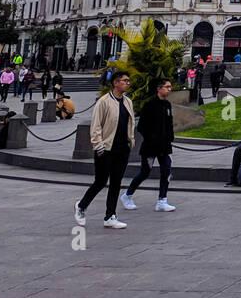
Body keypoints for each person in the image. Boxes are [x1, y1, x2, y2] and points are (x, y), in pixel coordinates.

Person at [75, 71, 137, 230]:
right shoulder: (104, 102)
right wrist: (98, 145)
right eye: (124, 80)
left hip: (122, 148)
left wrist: (131, 141)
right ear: (116, 83)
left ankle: (110, 216)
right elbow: (96, 125)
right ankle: (81, 206)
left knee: (116, 182)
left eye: (128, 80)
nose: (127, 83)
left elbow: (130, 123)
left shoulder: (128, 102)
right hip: (106, 148)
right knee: (101, 181)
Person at [121, 78, 176, 212]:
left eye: (170, 87)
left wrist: (169, 138)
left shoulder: (167, 105)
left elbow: (169, 124)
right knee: (145, 172)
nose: (169, 89)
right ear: (159, 88)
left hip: (164, 146)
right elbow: (142, 126)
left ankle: (162, 200)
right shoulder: (150, 105)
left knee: (166, 171)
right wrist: (152, 137)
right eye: (166, 87)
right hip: (151, 146)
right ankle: (127, 195)